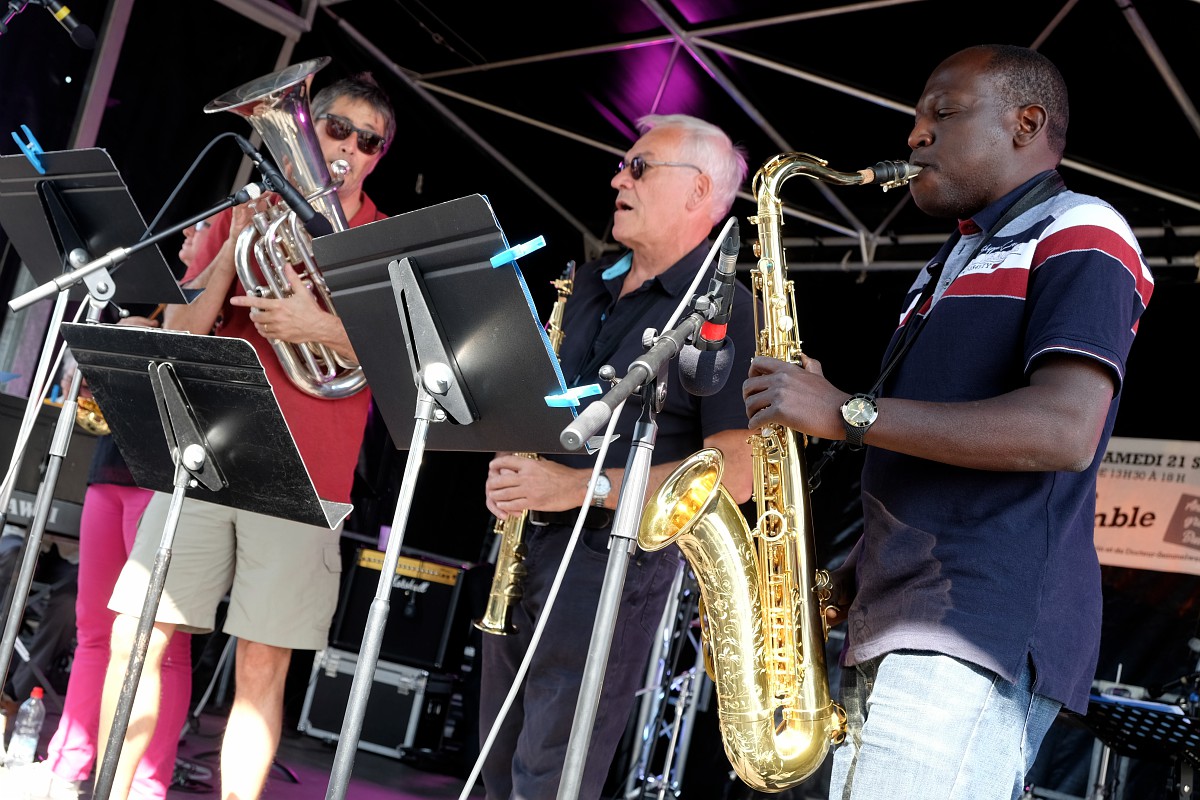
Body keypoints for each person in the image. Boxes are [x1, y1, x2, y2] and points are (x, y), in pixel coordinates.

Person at [742, 44, 1155, 799]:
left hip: (971, 625)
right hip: (899, 618)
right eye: (916, 117)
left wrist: (845, 411)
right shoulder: (954, 259)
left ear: (1026, 123)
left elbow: (1063, 429)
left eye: (944, 112)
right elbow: (933, 451)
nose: (915, 134)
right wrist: (852, 571)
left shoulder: (1083, 227)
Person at [96, 71, 395, 800]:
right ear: (307, 129)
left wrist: (316, 326)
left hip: (309, 472)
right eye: (336, 130)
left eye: (369, 142)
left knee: (262, 661)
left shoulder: (384, 241)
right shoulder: (246, 211)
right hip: (207, 451)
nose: (349, 149)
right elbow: (179, 332)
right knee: (138, 632)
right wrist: (233, 245)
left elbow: (406, 364)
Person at [479, 113, 756, 800]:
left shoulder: (727, 307)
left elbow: (737, 473)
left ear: (697, 192)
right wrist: (514, 462)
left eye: (639, 167)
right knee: (494, 768)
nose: (617, 179)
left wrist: (577, 488)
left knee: (549, 779)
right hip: (524, 545)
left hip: (614, 564)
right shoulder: (584, 284)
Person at [0, 219, 210, 800]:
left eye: (202, 229)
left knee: (162, 645)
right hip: (111, 468)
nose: (187, 237)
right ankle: (68, 763)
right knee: (94, 629)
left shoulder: (215, 304)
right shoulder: (160, 299)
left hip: (168, 481)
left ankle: (146, 783)